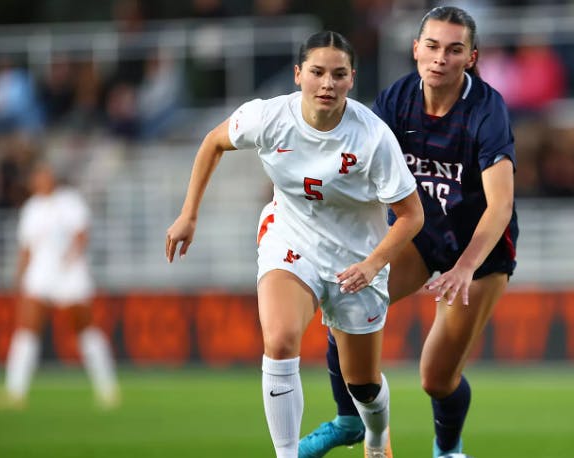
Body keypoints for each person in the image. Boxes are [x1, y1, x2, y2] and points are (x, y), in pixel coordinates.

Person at [165, 31, 423, 458]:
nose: (327, 84)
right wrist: (189, 213)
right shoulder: (269, 117)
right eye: (317, 72)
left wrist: (374, 264)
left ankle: (375, 437)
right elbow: (214, 141)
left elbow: (413, 215)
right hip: (290, 238)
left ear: (351, 79)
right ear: (298, 74)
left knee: (363, 384)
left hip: (356, 259)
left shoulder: (373, 137)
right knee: (282, 338)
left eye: (338, 75)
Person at [299, 7, 517, 458]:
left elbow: (500, 205)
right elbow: (358, 168)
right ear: (416, 49)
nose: (441, 58)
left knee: (435, 378)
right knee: (344, 303)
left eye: (454, 49)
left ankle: (448, 448)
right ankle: (348, 421)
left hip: (478, 253)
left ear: (471, 57)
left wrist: (463, 267)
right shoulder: (396, 101)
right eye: (432, 46)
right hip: (419, 234)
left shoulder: (487, 110)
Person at [0, 163, 119, 409]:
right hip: (40, 276)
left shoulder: (69, 201)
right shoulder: (31, 208)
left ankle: (108, 389)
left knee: (85, 329)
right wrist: (19, 277)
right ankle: (15, 392)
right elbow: (26, 248)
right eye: (36, 178)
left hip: (70, 275)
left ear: (51, 178)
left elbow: (82, 234)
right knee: (27, 331)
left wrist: (70, 259)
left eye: (44, 176)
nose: (40, 181)